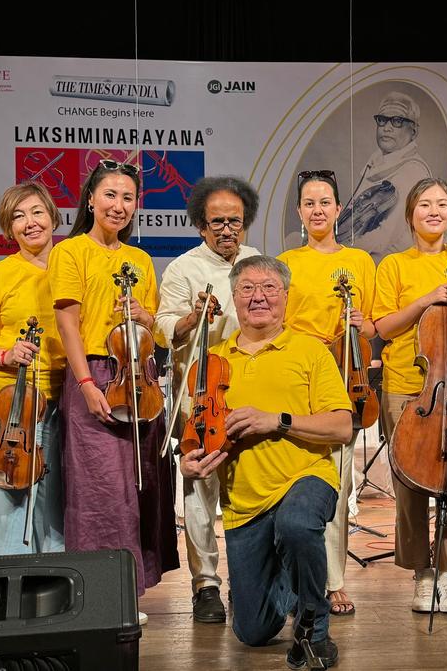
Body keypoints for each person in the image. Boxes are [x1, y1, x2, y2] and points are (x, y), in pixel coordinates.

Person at [180, 255, 352, 669]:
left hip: (305, 477)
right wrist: (188, 462)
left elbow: (342, 427)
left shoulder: (311, 351)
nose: (259, 297)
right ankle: (288, 581)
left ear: (286, 296)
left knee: (296, 523)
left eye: (269, 287)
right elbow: (193, 436)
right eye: (247, 288)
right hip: (244, 501)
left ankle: (315, 631)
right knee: (253, 633)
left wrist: (277, 421)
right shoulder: (212, 362)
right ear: (234, 298)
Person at [49, 161, 178, 626]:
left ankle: (128, 591)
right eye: (110, 195)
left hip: (137, 375)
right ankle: (98, 593)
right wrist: (85, 384)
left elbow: (155, 331)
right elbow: (68, 323)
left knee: (140, 486)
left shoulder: (140, 260)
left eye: (128, 197)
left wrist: (144, 317)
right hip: (95, 375)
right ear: (90, 200)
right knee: (99, 488)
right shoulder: (70, 252)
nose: (119, 205)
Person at [373, 177, 447, 615]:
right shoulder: (394, 266)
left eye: (442, 204)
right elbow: (383, 327)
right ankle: (422, 574)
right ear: (410, 215)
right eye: (424, 204)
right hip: (407, 383)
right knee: (411, 483)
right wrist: (428, 299)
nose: (434, 211)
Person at [152, 175, 260, 624]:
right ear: (200, 225)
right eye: (217, 222)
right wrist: (195, 316)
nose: (227, 230)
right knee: (200, 491)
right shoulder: (183, 268)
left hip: (250, 393)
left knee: (250, 488)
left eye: (235, 221)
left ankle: (249, 577)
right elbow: (162, 327)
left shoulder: (258, 263)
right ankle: (206, 584)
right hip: (199, 396)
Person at [278, 169, 376, 617]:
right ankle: (290, 577)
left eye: (325, 202)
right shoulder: (286, 262)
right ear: (300, 212)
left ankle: (333, 580)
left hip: (342, 374)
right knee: (291, 477)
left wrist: (360, 326)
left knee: (338, 480)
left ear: (339, 209)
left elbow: (372, 326)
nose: (318, 210)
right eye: (309, 203)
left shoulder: (359, 261)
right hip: (297, 372)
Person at [0, 181, 66, 556]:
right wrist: (7, 355)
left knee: (55, 503)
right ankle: (1, 588)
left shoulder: (72, 265)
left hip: (61, 398)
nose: (29, 223)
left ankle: (54, 590)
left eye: (37, 212)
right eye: (17, 217)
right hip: (8, 401)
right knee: (3, 505)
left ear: (53, 216)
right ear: (9, 229)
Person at [338, 91, 432, 260]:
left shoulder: (412, 171)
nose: (387, 127)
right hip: (364, 253)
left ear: (414, 131)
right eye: (382, 120)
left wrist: (340, 250)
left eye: (397, 121)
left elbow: (385, 238)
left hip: (388, 263)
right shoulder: (377, 162)